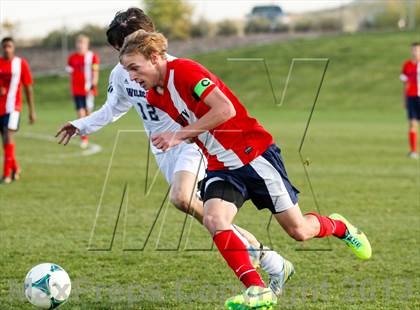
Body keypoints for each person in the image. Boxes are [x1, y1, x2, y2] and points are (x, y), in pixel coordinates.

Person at [119, 30, 372, 309]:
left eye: (134, 67)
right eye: (127, 71)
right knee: (214, 220)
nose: (131, 76)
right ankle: (257, 289)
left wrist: (178, 135)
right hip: (221, 167)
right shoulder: (155, 97)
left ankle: (339, 226)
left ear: (155, 58)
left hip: (254, 157)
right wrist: (180, 137)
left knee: (299, 230)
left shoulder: (186, 71)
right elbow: (199, 126)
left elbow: (224, 109)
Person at [56, 8, 294, 297]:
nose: (123, 55)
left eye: (126, 44)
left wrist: (185, 133)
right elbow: (112, 109)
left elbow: (215, 105)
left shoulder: (171, 69)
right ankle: (270, 260)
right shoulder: (122, 74)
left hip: (192, 144)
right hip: (164, 150)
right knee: (206, 215)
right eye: (119, 48)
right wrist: (80, 124)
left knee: (183, 198)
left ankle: (258, 275)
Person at [0, 37, 36, 184]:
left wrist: (31, 111)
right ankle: (16, 168)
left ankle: (6, 175)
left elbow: (28, 87)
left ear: (13, 48)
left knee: (9, 137)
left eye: (9, 46)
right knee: (5, 143)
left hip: (13, 108)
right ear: (2, 48)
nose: (7, 49)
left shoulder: (21, 64)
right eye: (4, 46)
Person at [66, 34, 100, 149]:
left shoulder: (92, 57)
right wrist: (72, 88)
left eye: (83, 43)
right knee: (81, 113)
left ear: (87, 45)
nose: (80, 45)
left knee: (88, 113)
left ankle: (87, 131)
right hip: (77, 90)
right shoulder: (72, 58)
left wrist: (93, 84)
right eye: (78, 43)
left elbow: (95, 72)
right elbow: (70, 75)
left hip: (88, 90)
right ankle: (84, 138)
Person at [400, 42, 420, 159]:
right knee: (412, 123)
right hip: (411, 97)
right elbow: (405, 84)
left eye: (417, 50)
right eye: (413, 50)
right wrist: (404, 99)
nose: (415, 52)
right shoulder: (407, 65)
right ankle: (413, 151)